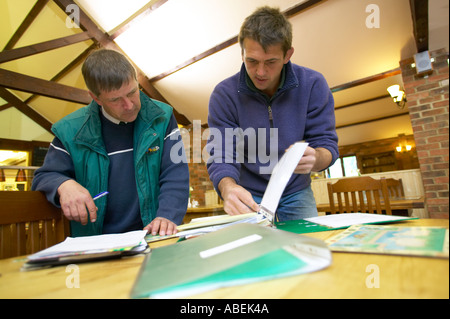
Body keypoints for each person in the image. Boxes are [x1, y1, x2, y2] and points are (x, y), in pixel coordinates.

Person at [32, 49, 189, 237]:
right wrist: (64, 185)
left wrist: (167, 216)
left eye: (132, 92)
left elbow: (175, 172)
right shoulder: (70, 131)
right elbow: (44, 176)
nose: (129, 105)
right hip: (98, 244)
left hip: (152, 237)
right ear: (96, 98)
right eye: (116, 100)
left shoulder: (162, 117)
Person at [206, 6, 339, 221]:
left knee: (306, 248)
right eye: (251, 61)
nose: (260, 72)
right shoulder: (224, 95)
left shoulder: (313, 84)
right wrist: (228, 188)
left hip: (296, 191)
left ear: (287, 54)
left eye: (270, 62)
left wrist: (317, 159)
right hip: (247, 194)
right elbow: (221, 154)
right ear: (242, 53)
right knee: (251, 252)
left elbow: (327, 143)